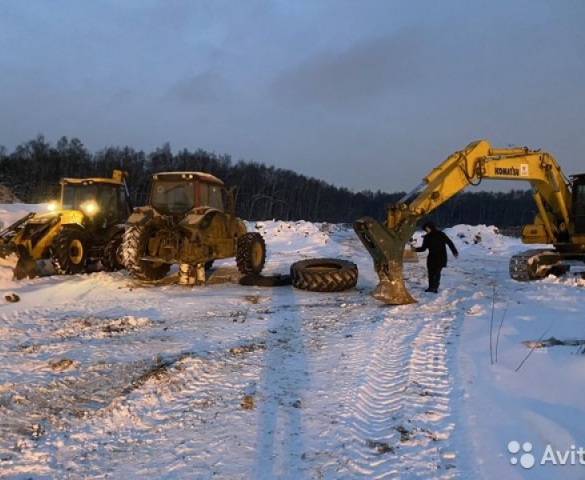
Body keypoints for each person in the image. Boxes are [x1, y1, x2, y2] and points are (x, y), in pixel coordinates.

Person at [414, 221, 458, 293]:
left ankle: (435, 288)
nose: (427, 230)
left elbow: (449, 242)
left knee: (437, 273)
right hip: (431, 257)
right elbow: (423, 248)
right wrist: (415, 249)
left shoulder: (441, 234)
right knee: (430, 273)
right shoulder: (427, 237)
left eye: (427, 228)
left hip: (441, 257)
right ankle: (430, 287)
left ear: (431, 227)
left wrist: (454, 251)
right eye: (426, 229)